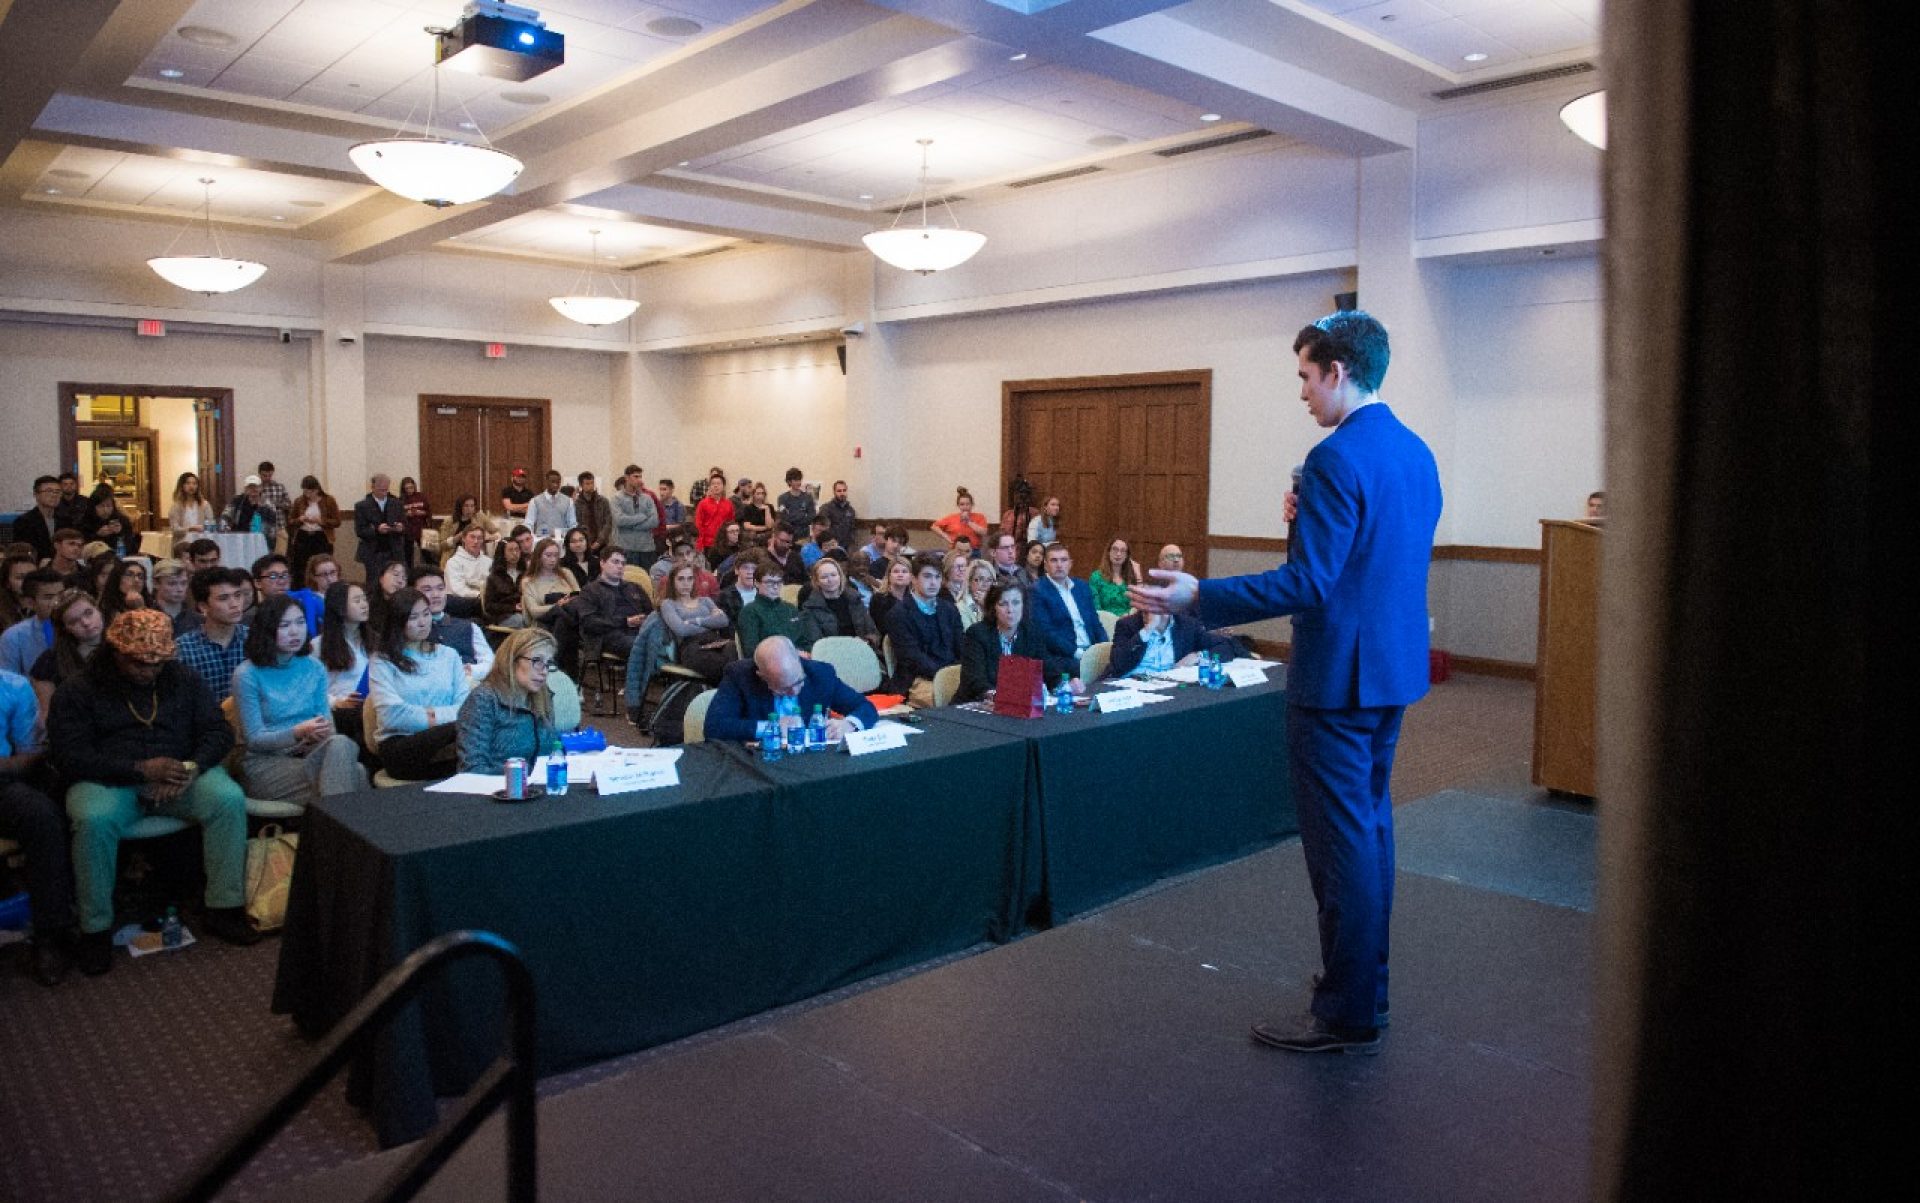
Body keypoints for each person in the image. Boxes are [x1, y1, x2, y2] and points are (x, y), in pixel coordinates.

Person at [1131, 310, 1442, 1055]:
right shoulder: (1416, 451)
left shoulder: (1335, 459)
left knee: (1341, 849)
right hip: (1390, 671)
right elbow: (1369, 562)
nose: (1301, 392)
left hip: (1337, 680)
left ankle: (1343, 1011)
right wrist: (1305, 528)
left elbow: (1311, 583)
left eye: (1305, 376)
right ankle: (1368, 987)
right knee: (1370, 832)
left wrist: (1197, 596)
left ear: (1337, 371)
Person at [48, 609, 261, 975]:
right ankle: (95, 930)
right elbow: (70, 755)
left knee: (227, 799)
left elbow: (218, 732)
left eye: (158, 663)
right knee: (92, 819)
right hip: (110, 781)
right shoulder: (79, 690)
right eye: (140, 664)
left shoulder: (182, 678)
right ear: (115, 654)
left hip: (180, 775)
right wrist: (139, 770)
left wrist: (191, 768)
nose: (150, 671)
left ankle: (224, 908)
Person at [230, 595, 366, 805]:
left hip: (310, 751)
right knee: (355, 774)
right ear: (267, 629)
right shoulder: (247, 674)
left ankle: (333, 831)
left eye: (300, 622)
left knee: (341, 744)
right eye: (284, 625)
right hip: (265, 763)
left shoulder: (314, 667)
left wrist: (317, 735)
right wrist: (296, 733)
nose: (295, 631)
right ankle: (345, 831)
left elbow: (328, 725)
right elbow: (254, 739)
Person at [0, 668, 77, 985]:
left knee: (42, 815)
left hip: (2, 782)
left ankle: (50, 935)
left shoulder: (12, 686)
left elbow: (29, 756)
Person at [366, 588, 471, 779]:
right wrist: (441, 719)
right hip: (401, 745)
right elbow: (393, 716)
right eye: (413, 617)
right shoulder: (382, 660)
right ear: (398, 621)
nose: (423, 622)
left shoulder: (449, 655)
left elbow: (465, 707)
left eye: (426, 614)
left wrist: (431, 716)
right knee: (461, 731)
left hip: (448, 742)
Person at [702, 636, 877, 743]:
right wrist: (772, 727)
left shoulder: (820, 673)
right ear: (762, 676)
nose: (794, 692)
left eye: (798, 682)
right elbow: (714, 727)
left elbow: (865, 707)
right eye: (783, 688)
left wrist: (849, 724)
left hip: (811, 761)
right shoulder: (740, 676)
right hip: (762, 762)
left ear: (799, 661)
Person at [455, 628, 564, 773]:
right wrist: (522, 778)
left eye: (548, 663)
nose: (544, 671)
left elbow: (552, 753)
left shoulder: (543, 697)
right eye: (537, 661)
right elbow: (472, 768)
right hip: (495, 791)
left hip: (538, 789)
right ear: (512, 660)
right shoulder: (483, 699)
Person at [956, 580, 1078, 704]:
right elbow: (975, 681)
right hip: (974, 707)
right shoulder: (977, 634)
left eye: (1016, 603)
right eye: (1003, 604)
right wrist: (997, 695)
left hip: (1016, 707)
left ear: (1023, 605)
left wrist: (1064, 686)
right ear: (994, 608)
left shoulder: (1031, 632)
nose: (1010, 610)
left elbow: (1048, 670)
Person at [886, 551, 964, 706]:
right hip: (917, 679)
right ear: (913, 579)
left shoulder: (949, 609)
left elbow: (961, 646)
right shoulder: (898, 614)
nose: (933, 583)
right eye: (927, 576)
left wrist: (959, 673)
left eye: (937, 577)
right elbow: (911, 658)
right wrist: (945, 676)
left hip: (951, 674)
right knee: (949, 700)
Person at [174, 567, 251, 706]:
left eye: (238, 595)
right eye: (223, 598)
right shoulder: (184, 648)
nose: (234, 604)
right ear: (204, 606)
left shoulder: (255, 639)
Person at [309, 580, 372, 747]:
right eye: (357, 601)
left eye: (364, 599)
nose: (364, 605)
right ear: (339, 607)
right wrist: (337, 702)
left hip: (372, 704)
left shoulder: (373, 641)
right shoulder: (318, 646)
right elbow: (310, 689)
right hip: (341, 710)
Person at [657, 561, 733, 684]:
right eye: (681, 579)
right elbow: (681, 629)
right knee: (724, 667)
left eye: (690, 579)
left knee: (737, 657)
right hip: (691, 646)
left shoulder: (705, 601)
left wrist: (695, 621)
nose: (686, 583)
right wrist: (710, 622)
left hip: (716, 640)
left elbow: (723, 621)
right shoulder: (669, 604)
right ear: (673, 581)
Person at [1028, 542, 1105, 662]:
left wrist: (1105, 649)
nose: (1059, 565)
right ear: (1045, 565)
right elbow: (1046, 633)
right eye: (1054, 560)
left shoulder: (1082, 587)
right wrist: (1079, 654)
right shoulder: (1037, 591)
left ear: (1070, 564)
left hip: (1091, 652)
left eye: (1063, 560)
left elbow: (1095, 624)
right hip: (1064, 657)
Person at [29, 590, 104, 710]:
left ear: (99, 610)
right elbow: (46, 714)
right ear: (65, 628)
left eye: (89, 613)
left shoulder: (122, 647)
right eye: (74, 621)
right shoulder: (49, 661)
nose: (86, 623)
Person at [1107, 609, 1237, 679]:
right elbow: (1118, 663)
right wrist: (1146, 631)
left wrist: (1198, 656)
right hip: (1130, 685)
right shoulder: (1127, 625)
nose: (1147, 611)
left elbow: (1225, 647)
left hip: (1169, 686)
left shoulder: (1187, 625)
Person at [796, 556, 878, 649]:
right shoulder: (810, 609)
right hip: (832, 656)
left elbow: (872, 632)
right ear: (817, 581)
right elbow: (816, 644)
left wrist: (866, 641)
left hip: (862, 650)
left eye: (833, 575)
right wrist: (849, 645)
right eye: (824, 577)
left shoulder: (855, 599)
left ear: (840, 576)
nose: (830, 580)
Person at [736, 555, 806, 660]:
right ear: (757, 583)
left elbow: (804, 640)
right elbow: (751, 650)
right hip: (771, 663)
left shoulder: (791, 609)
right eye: (769, 582)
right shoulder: (749, 612)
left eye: (778, 582)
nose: (775, 586)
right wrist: (789, 654)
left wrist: (805, 652)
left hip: (799, 659)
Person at [3, 568, 67, 677]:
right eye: (49, 597)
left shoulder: (81, 626)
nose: (57, 602)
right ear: (30, 603)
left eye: (61, 595)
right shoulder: (14, 637)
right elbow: (9, 683)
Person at [287, 475, 342, 584]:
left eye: (310, 492)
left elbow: (337, 521)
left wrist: (320, 521)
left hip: (321, 537)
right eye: (305, 491)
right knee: (300, 567)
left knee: (321, 564)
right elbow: (290, 521)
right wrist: (299, 519)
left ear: (317, 489)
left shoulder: (329, 500)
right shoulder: (299, 501)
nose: (308, 495)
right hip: (303, 537)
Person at [353, 474, 410, 575]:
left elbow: (405, 525)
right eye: (381, 490)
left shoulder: (396, 503)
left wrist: (400, 528)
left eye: (386, 490)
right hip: (373, 551)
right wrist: (376, 530)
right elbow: (360, 530)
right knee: (374, 580)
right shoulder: (362, 506)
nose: (384, 493)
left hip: (394, 550)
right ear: (373, 487)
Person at [520, 537, 580, 626]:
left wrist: (570, 599)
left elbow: (579, 594)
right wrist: (558, 605)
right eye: (548, 555)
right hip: (545, 624)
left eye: (556, 555)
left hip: (570, 616)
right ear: (538, 557)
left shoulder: (566, 573)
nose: (553, 559)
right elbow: (533, 611)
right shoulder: (528, 581)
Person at [611, 464, 661, 570]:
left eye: (640, 476)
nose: (639, 480)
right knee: (629, 580)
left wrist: (633, 526)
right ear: (627, 478)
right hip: (626, 547)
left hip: (646, 548)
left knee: (647, 581)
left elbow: (654, 521)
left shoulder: (647, 498)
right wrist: (641, 517)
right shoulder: (617, 498)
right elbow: (619, 520)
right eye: (636, 476)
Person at [443, 524, 492, 619]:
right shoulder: (453, 562)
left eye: (480, 538)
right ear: (464, 539)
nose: (476, 541)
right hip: (462, 607)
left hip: (486, 603)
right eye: (472, 537)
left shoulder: (489, 561)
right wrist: (480, 594)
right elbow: (457, 589)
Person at [12, 476, 65, 562]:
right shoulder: (24, 522)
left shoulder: (66, 520)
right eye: (49, 491)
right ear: (36, 494)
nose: (54, 495)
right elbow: (22, 553)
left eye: (58, 491)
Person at [79, 484, 139, 557]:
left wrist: (120, 533)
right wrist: (97, 535)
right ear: (93, 507)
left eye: (108, 506)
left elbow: (133, 549)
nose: (105, 510)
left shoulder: (122, 521)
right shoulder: (85, 522)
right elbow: (81, 547)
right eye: (101, 506)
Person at [288, 555, 339, 639]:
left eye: (333, 572)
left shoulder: (347, 595)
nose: (329, 578)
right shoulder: (309, 599)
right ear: (314, 577)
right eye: (323, 575)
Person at [1090, 536, 1144, 616]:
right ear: (1109, 552)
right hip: (1105, 622)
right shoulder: (1096, 577)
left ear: (1127, 556)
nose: (1118, 554)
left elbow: (1140, 604)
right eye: (1115, 549)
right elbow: (1096, 608)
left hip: (1127, 622)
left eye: (1123, 551)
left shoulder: (1131, 579)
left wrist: (1138, 575)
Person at [481, 538, 528, 629]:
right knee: (521, 620)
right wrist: (513, 607)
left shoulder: (525, 573)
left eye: (517, 549)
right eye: (510, 550)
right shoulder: (494, 577)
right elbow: (489, 606)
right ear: (502, 553)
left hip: (525, 611)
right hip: (503, 616)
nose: (515, 553)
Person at [222, 474, 282, 543]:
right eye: (250, 487)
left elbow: (272, 527)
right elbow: (225, 516)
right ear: (245, 489)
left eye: (256, 486)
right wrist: (226, 527)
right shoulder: (237, 501)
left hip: (261, 540)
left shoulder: (268, 505)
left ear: (261, 488)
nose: (253, 489)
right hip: (239, 539)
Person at [437, 494, 493, 566]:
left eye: (472, 506)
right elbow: (442, 545)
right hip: (453, 557)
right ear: (460, 507)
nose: (469, 509)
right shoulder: (449, 521)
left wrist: (487, 537)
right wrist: (458, 537)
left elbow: (497, 532)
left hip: (476, 557)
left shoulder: (480, 517)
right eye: (466, 506)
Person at [151, 558, 201, 636]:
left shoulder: (199, 621)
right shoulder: (145, 619)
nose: (180, 589)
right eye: (172, 584)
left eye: (183, 583)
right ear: (156, 583)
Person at [866, 555, 913, 637]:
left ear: (910, 577)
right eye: (896, 571)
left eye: (904, 571)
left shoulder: (914, 600)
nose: (900, 574)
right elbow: (881, 627)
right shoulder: (879, 599)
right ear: (889, 575)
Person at [98, 559, 151, 627]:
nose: (136, 580)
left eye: (140, 576)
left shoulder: (150, 603)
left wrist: (141, 608)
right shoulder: (106, 607)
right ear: (118, 578)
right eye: (129, 575)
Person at [527, 470, 576, 540]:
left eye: (558, 482)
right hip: (541, 541)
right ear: (546, 481)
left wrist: (565, 535)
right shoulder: (534, 501)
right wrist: (533, 539)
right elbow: (529, 523)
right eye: (552, 482)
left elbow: (573, 524)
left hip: (562, 541)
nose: (555, 485)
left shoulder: (568, 501)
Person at [396, 476, 433, 563]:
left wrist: (421, 513)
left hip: (422, 530)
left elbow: (429, 512)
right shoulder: (400, 500)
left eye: (411, 487)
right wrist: (406, 515)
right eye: (407, 488)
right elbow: (398, 516)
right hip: (408, 531)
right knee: (408, 556)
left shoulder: (421, 496)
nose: (409, 490)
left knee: (428, 555)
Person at [693, 470, 733, 551]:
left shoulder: (729, 504)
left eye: (718, 484)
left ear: (723, 486)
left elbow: (731, 524)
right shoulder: (702, 504)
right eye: (713, 484)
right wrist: (699, 544)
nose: (716, 486)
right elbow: (698, 525)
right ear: (710, 487)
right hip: (707, 544)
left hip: (724, 543)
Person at [168, 471, 215, 540]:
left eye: (194, 483)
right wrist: (190, 528)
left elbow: (211, 524)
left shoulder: (205, 505)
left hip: (201, 542)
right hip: (182, 543)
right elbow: (175, 529)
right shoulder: (176, 506)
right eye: (188, 483)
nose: (191, 486)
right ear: (182, 485)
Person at [573, 472, 613, 553]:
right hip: (585, 543)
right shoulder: (577, 504)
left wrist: (599, 541)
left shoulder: (603, 501)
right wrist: (586, 540)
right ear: (581, 486)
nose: (590, 486)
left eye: (592, 483)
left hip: (603, 542)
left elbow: (608, 522)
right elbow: (577, 524)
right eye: (587, 484)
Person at [717, 555, 760, 625]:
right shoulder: (725, 596)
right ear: (736, 570)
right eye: (745, 568)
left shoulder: (763, 593)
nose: (750, 572)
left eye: (754, 569)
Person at [775, 467, 816, 539]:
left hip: (804, 535)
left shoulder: (808, 497)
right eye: (795, 480)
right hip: (788, 535)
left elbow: (812, 516)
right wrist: (801, 516)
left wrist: (793, 517)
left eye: (799, 480)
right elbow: (784, 518)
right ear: (789, 482)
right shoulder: (782, 498)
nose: (798, 482)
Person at [820, 480, 857, 552]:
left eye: (844, 490)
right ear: (834, 492)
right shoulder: (826, 508)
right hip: (830, 548)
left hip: (846, 548)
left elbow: (852, 529)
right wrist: (831, 544)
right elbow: (822, 530)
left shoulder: (851, 510)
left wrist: (851, 544)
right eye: (839, 491)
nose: (842, 493)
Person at [946, 553, 981, 628]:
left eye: (964, 566)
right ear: (948, 569)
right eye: (958, 566)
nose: (962, 569)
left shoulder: (972, 592)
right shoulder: (942, 594)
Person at [255, 462, 292, 532]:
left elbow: (289, 505)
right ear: (259, 474)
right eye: (264, 475)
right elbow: (251, 505)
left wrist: (274, 504)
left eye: (270, 475)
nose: (267, 478)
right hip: (261, 527)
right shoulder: (255, 488)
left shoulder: (279, 487)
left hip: (279, 526)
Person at [654, 477, 688, 544]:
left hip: (673, 537)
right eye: (660, 489)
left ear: (671, 490)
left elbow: (681, 525)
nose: (661, 492)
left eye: (664, 489)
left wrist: (665, 527)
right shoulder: (656, 505)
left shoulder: (679, 506)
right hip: (658, 537)